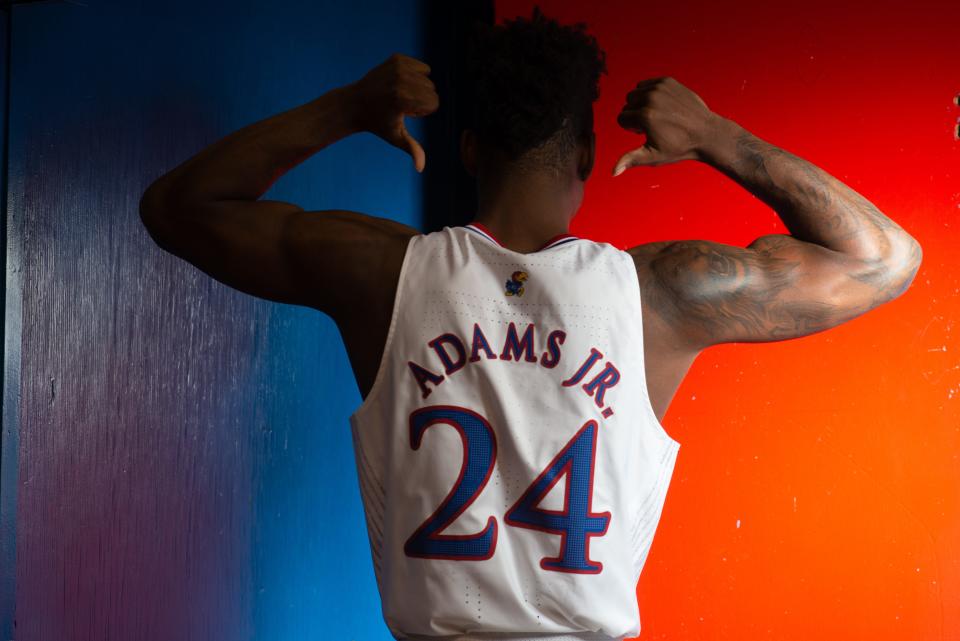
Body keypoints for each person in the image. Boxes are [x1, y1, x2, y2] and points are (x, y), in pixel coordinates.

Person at [138, 7, 922, 640]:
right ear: (585, 155)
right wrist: (712, 134)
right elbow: (885, 259)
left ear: (471, 148)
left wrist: (348, 107)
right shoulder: (663, 293)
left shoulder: (379, 271)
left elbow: (177, 208)